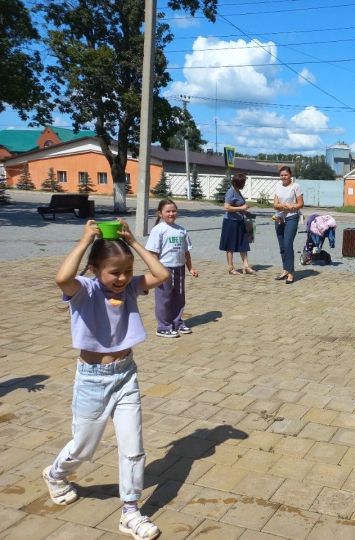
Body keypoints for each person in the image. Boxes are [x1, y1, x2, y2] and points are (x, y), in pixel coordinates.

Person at [43, 219, 169, 540]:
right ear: (95, 269)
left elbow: (161, 274)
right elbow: (62, 278)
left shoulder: (129, 287)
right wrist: (85, 240)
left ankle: (130, 511)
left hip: (126, 375)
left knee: (133, 447)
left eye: (126, 270)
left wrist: (135, 243)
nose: (122, 278)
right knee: (84, 448)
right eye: (114, 272)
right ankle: (56, 474)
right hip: (92, 379)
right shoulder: (84, 289)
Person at [146, 199, 198, 338]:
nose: (171, 214)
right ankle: (163, 326)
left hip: (179, 268)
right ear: (160, 213)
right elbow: (152, 254)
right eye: (167, 211)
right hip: (164, 269)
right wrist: (156, 271)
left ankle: (177, 322)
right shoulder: (158, 230)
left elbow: (186, 252)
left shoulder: (181, 230)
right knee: (164, 298)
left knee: (179, 297)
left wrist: (190, 268)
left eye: (173, 211)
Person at [219, 173, 255, 275]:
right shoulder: (231, 192)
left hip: (240, 221)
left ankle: (246, 266)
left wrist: (245, 212)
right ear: (238, 183)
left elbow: (238, 207)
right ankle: (230, 267)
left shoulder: (238, 192)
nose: (244, 184)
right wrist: (241, 208)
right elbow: (226, 207)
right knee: (230, 245)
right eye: (243, 182)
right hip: (230, 222)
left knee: (243, 243)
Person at [273, 165, 304, 284]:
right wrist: (283, 206)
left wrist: (292, 206)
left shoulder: (296, 186)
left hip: (292, 218)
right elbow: (275, 204)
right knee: (282, 247)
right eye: (281, 175)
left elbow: (300, 203)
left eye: (285, 175)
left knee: (287, 244)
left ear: (290, 175)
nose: (283, 177)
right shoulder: (278, 186)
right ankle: (285, 269)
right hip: (279, 218)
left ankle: (291, 273)